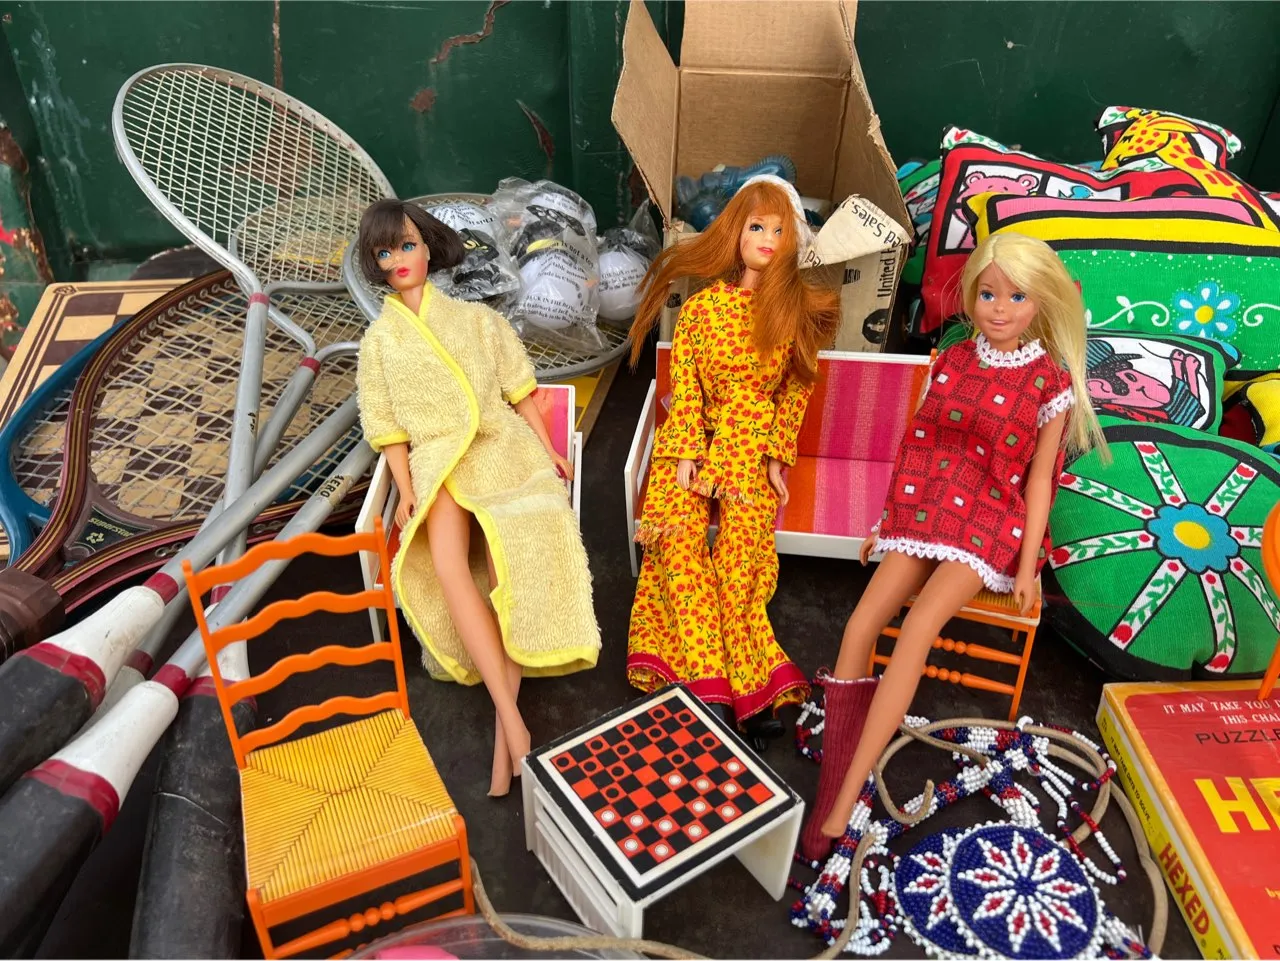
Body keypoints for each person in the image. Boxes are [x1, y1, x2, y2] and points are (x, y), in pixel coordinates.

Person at [800, 231, 1108, 860]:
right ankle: (839, 766)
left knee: (917, 629)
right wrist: (887, 520)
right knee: (860, 625)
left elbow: (1040, 480)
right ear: (970, 296)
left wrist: (1028, 565)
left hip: (989, 519)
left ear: (1041, 302)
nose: (1000, 309)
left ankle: (846, 797)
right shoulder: (953, 359)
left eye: (1017, 297)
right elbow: (918, 443)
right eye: (988, 294)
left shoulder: (1048, 381)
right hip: (927, 503)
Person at [354, 199, 600, 798]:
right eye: (385, 252)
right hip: (438, 460)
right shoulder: (380, 342)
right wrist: (406, 489)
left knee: (504, 562)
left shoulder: (478, 320)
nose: (399, 259)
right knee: (447, 565)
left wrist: (549, 449)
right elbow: (386, 426)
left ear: (428, 247)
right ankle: (513, 719)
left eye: (407, 245)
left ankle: (506, 734)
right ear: (375, 263)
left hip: (499, 447)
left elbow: (520, 389)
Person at [625, 176, 841, 746]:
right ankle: (720, 688)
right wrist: (684, 450)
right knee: (677, 545)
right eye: (756, 226)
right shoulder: (701, 310)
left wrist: (776, 457)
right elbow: (685, 386)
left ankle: (737, 686)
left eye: (779, 230)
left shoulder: (792, 313)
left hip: (749, 444)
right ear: (735, 234)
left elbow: (795, 391)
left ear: (792, 241)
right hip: (691, 440)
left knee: (742, 562)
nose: (767, 238)